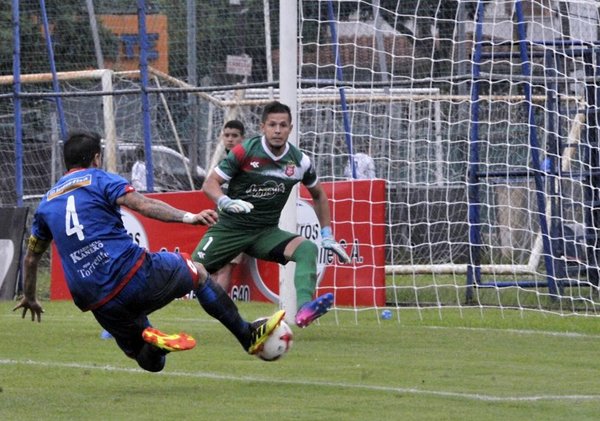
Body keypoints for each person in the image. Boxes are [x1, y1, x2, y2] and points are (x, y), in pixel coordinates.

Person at [12, 131, 284, 373]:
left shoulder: (46, 203)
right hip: (131, 274)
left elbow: (31, 256)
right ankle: (247, 335)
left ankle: (157, 346)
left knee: (148, 359)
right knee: (198, 273)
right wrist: (188, 217)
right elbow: (141, 204)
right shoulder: (100, 179)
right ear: (96, 158)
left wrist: (31, 297)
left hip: (96, 299)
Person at [193, 101, 351, 328]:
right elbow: (210, 184)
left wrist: (327, 234)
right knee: (188, 273)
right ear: (262, 127)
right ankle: (141, 312)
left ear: (291, 128)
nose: (278, 130)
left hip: (264, 232)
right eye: (272, 125)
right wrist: (225, 201)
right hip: (231, 228)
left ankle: (304, 309)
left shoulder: (299, 161)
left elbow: (319, 195)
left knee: (307, 248)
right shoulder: (245, 151)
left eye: (283, 125)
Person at [210, 120, 247, 292]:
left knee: (225, 267)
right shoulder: (223, 164)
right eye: (227, 135)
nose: (230, 139)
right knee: (211, 267)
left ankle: (218, 305)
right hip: (220, 222)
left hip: (237, 224)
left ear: (243, 138)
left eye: (235, 136)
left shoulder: (246, 165)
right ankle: (210, 305)